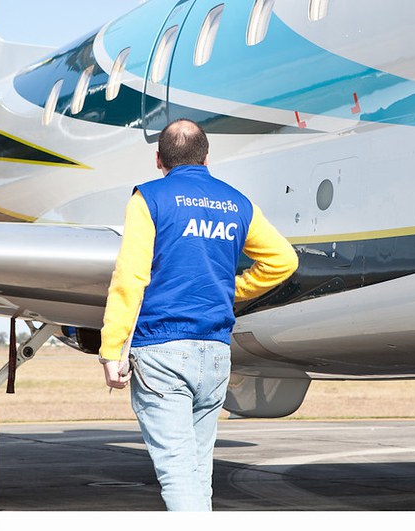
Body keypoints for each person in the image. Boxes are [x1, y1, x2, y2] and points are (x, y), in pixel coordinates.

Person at [99, 119, 299, 511]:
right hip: (216, 353)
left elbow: (131, 277)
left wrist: (111, 349)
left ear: (159, 159)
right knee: (196, 473)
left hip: (162, 351)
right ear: (207, 159)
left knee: (177, 473)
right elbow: (283, 260)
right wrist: (232, 290)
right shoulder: (237, 203)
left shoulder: (149, 198)